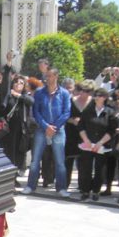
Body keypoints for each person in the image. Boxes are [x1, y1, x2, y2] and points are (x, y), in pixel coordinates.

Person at [22, 67, 71, 197]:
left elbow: (66, 112)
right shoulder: (39, 93)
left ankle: (61, 188)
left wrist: (54, 126)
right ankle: (31, 185)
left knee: (60, 161)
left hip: (58, 130)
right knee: (35, 160)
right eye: (46, 76)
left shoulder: (64, 93)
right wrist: (45, 126)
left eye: (49, 76)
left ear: (56, 77)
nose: (47, 78)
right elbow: (36, 111)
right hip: (41, 129)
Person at [77, 88, 118, 201]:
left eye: (99, 95)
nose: (97, 97)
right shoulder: (87, 110)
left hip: (102, 145)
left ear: (104, 98)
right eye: (95, 95)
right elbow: (81, 126)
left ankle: (96, 191)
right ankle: (85, 191)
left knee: (100, 169)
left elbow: (112, 130)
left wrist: (100, 143)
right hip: (88, 144)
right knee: (86, 168)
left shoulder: (110, 112)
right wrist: (86, 140)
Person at [66, 80, 95, 189]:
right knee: (68, 161)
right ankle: (65, 185)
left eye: (87, 91)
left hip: (87, 136)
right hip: (71, 134)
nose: (83, 93)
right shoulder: (71, 100)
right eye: (81, 90)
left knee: (85, 163)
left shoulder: (93, 102)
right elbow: (64, 117)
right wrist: (73, 121)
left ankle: (84, 187)